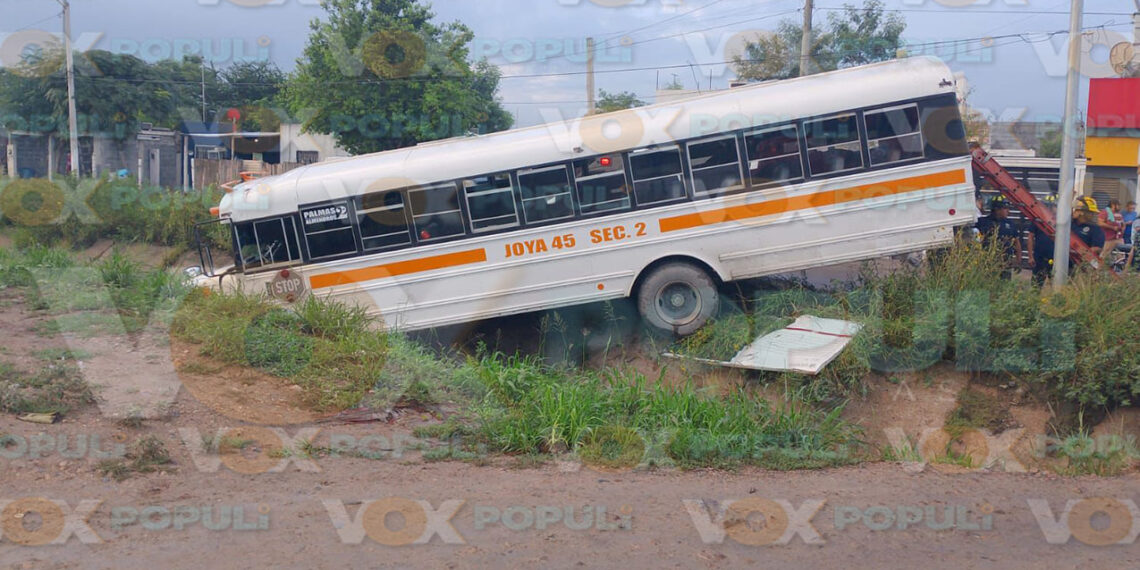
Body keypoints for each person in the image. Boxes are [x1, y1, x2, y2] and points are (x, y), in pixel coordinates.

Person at [975, 194, 1023, 279]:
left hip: (1006, 263)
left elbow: (1016, 242)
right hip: (987, 263)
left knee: (1004, 286)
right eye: (1005, 208)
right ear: (996, 209)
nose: (1008, 211)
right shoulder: (983, 222)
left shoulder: (1010, 224)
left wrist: (1018, 261)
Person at [1025, 194, 1058, 286]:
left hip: (1056, 260)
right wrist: (1030, 256)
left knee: (1057, 287)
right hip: (1040, 259)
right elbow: (1030, 237)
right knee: (1036, 286)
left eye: (1052, 206)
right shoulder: (1038, 220)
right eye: (1046, 206)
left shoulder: (1061, 222)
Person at [1073, 196, 1106, 265]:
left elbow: (1098, 248)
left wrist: (1082, 252)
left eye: (1092, 213)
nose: (1093, 215)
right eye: (1091, 212)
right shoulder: (1069, 225)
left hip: (1080, 263)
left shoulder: (1095, 229)